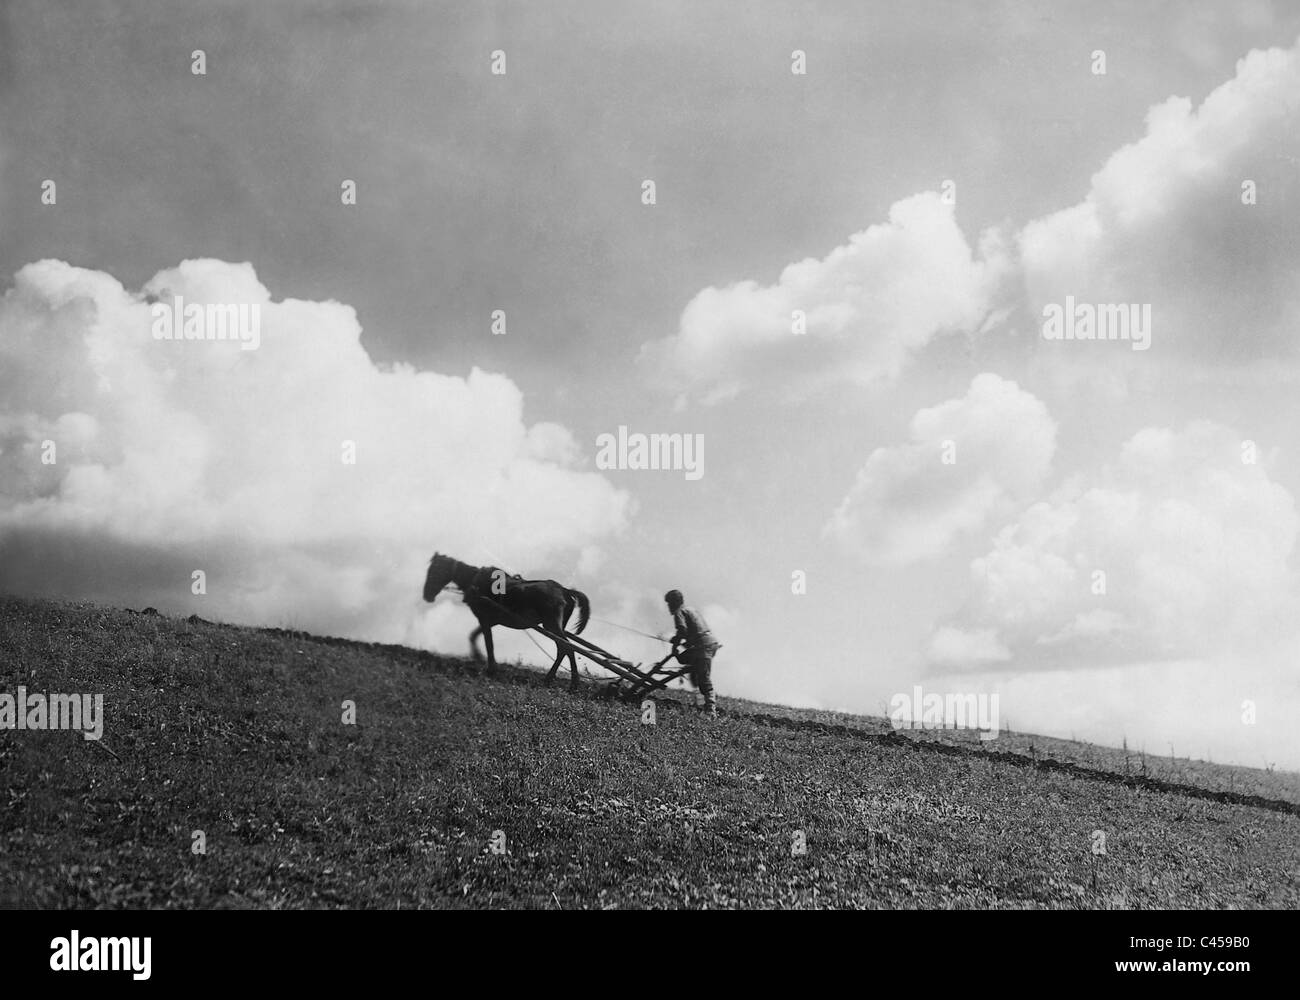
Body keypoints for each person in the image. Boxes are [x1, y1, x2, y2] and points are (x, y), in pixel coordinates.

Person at [664, 589, 720, 717]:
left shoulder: (679, 612)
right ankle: (700, 704)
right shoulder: (691, 610)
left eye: (669, 604)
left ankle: (710, 711)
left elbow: (682, 630)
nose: (668, 607)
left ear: (673, 603)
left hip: (703, 647)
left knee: (703, 677)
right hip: (710, 643)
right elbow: (694, 631)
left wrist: (675, 644)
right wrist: (678, 641)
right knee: (688, 664)